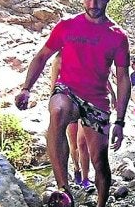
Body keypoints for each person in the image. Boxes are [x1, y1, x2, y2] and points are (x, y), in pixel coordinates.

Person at [15, 0, 130, 207]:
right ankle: (64, 189)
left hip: (97, 101)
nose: (93, 5)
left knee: (100, 161)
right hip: (68, 89)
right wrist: (26, 88)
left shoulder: (117, 36)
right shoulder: (67, 26)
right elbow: (42, 56)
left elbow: (123, 79)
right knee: (57, 111)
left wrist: (120, 121)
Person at [50, 53, 116, 191]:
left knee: (81, 143)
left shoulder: (86, 54)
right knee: (73, 144)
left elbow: (100, 75)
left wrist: (112, 94)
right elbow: (54, 83)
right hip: (68, 104)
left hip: (86, 104)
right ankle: (76, 169)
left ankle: (86, 178)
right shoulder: (58, 59)